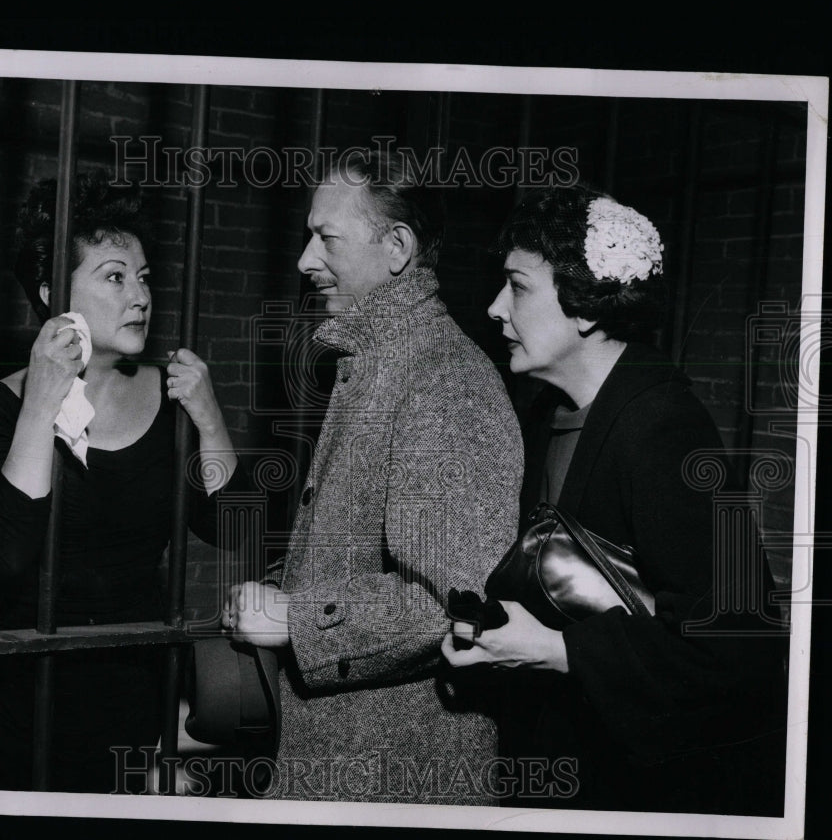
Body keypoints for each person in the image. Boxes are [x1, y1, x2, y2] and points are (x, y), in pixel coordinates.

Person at [442, 185, 788, 814]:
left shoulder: (666, 428)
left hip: (649, 792)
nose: (494, 308)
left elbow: (741, 640)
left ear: (585, 307)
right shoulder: (547, 412)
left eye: (518, 286)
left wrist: (556, 650)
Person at [225, 149, 524, 804]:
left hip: (398, 774)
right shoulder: (380, 359)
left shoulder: (443, 379)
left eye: (326, 237)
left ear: (396, 247)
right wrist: (284, 587)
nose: (306, 259)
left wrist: (296, 617)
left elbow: (448, 601)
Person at [0, 172, 238, 793]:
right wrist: (41, 403)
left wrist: (210, 419)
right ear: (57, 293)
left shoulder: (173, 395)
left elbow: (233, 528)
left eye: (143, 278)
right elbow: (5, 553)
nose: (139, 296)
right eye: (114, 276)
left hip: (140, 699)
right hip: (21, 705)